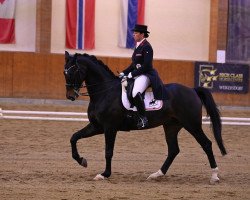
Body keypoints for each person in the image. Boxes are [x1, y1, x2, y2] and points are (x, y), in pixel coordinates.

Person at [119, 24, 168, 129]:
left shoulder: (147, 47)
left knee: (136, 92)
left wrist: (132, 74)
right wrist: (125, 72)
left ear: (142, 34)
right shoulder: (137, 46)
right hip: (138, 73)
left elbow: (147, 66)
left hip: (146, 74)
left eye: (136, 33)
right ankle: (130, 112)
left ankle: (143, 118)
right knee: (126, 85)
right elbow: (133, 64)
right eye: (134, 33)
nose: (134, 34)